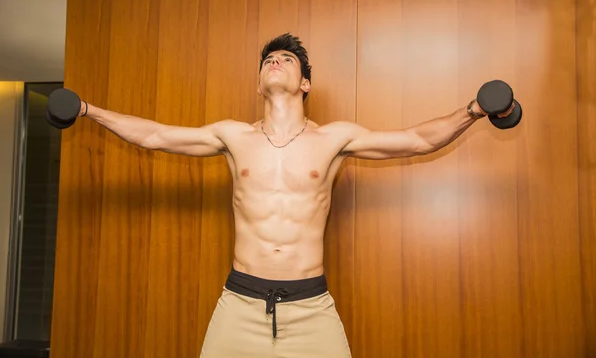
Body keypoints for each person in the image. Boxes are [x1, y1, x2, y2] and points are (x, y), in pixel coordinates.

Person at [74, 33, 498, 357]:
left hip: (310, 308)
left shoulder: (335, 138)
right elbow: (153, 134)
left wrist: (473, 111)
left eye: (287, 59)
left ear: (306, 83)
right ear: (260, 84)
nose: (275, 62)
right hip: (239, 304)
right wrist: (87, 110)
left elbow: (417, 140)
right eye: (268, 60)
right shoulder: (232, 136)